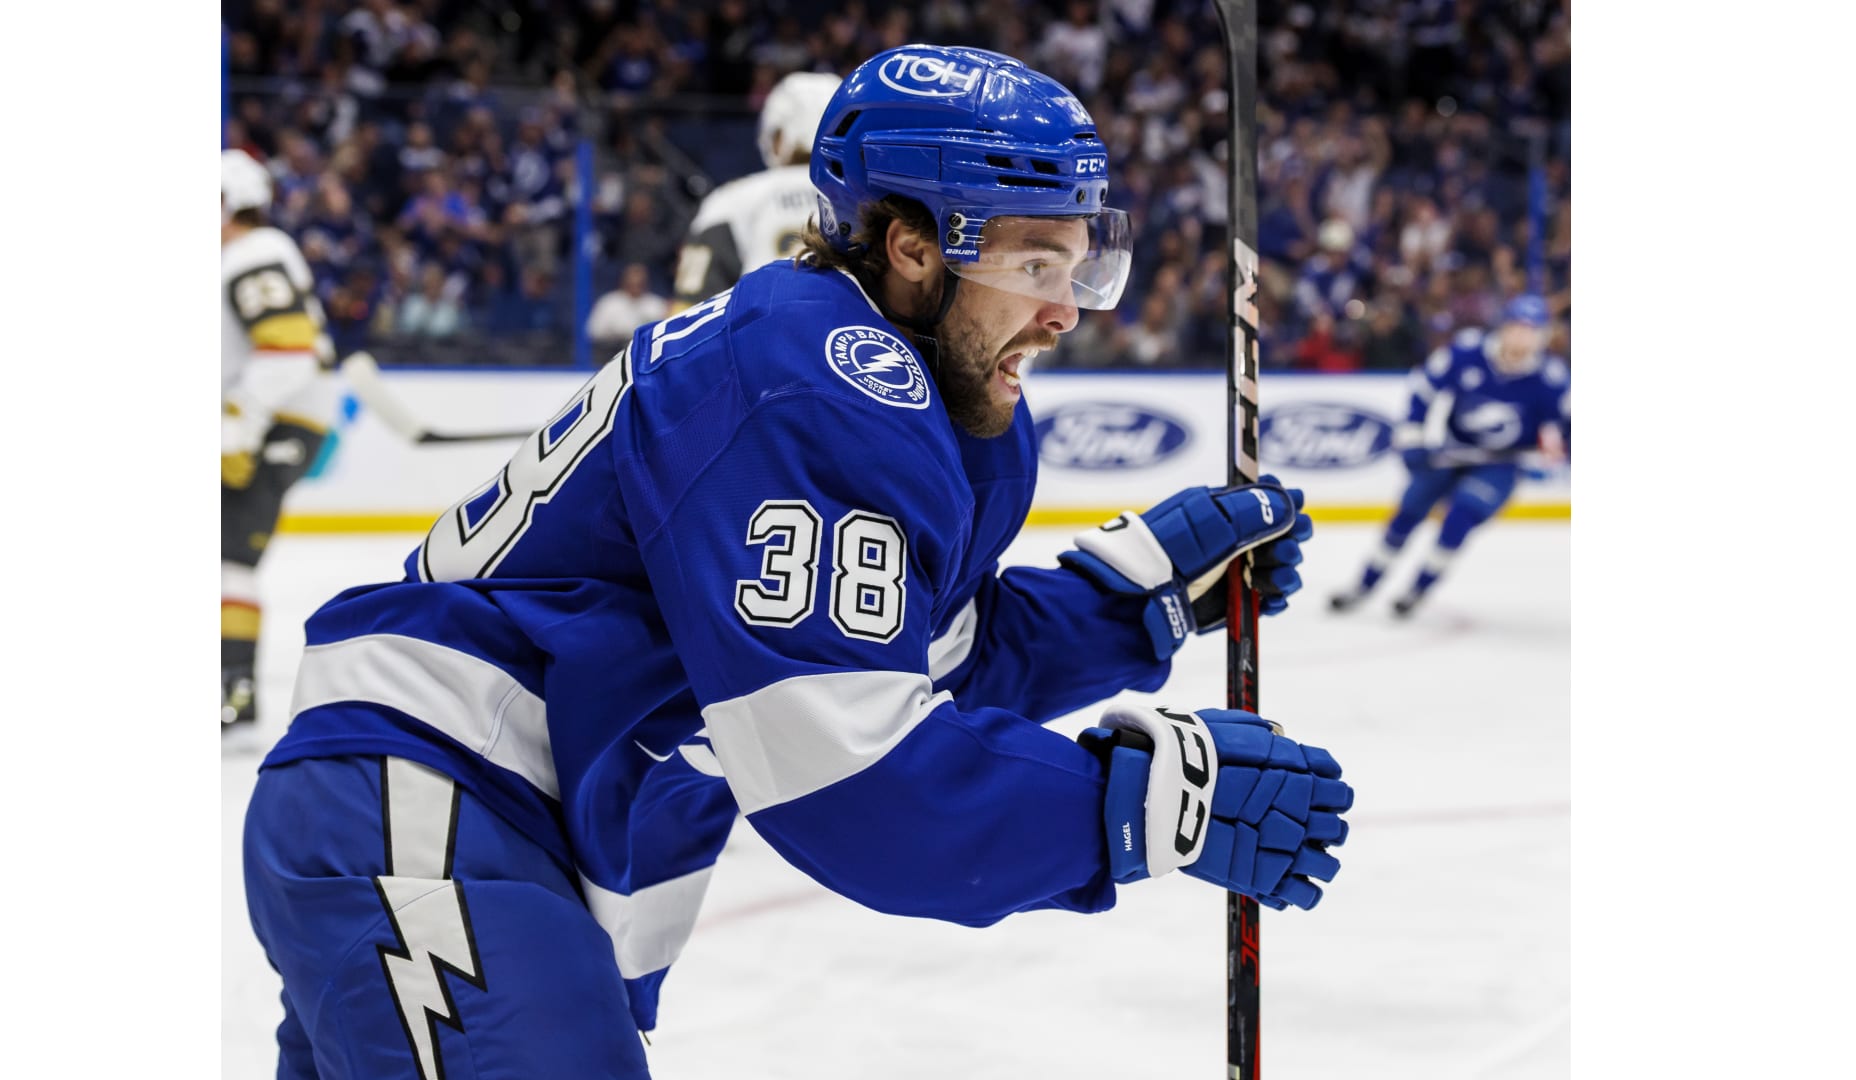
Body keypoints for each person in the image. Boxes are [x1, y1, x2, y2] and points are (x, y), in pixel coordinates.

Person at [243, 47, 1353, 1079]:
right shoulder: (816, 377)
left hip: (492, 828)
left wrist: (1133, 600)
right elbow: (856, 778)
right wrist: (1150, 801)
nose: (1067, 311)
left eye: (1081, 263)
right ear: (913, 248)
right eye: (1033, 262)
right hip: (430, 803)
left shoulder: (940, 408)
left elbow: (914, 664)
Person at [1329, 293, 1570, 617]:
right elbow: (1424, 389)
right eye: (1516, 327)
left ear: (1542, 336)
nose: (1521, 337)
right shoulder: (1468, 351)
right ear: (1503, 327)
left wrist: (1558, 458)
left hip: (1499, 465)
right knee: (1407, 513)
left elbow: (1567, 429)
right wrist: (1413, 437)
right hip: (1450, 451)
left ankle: (1418, 589)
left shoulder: (1551, 378)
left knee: (1461, 516)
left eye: (1530, 331)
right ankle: (1364, 584)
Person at [221, 148, 341, 736]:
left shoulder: (254, 252)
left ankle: (231, 693)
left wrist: (237, 426)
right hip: (265, 420)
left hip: (273, 424)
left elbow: (289, 349)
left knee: (227, 560)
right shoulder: (244, 255)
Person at [669, 71, 841, 309]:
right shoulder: (871, 200)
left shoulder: (729, 201)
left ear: (780, 136)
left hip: (764, 330)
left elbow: (687, 309)